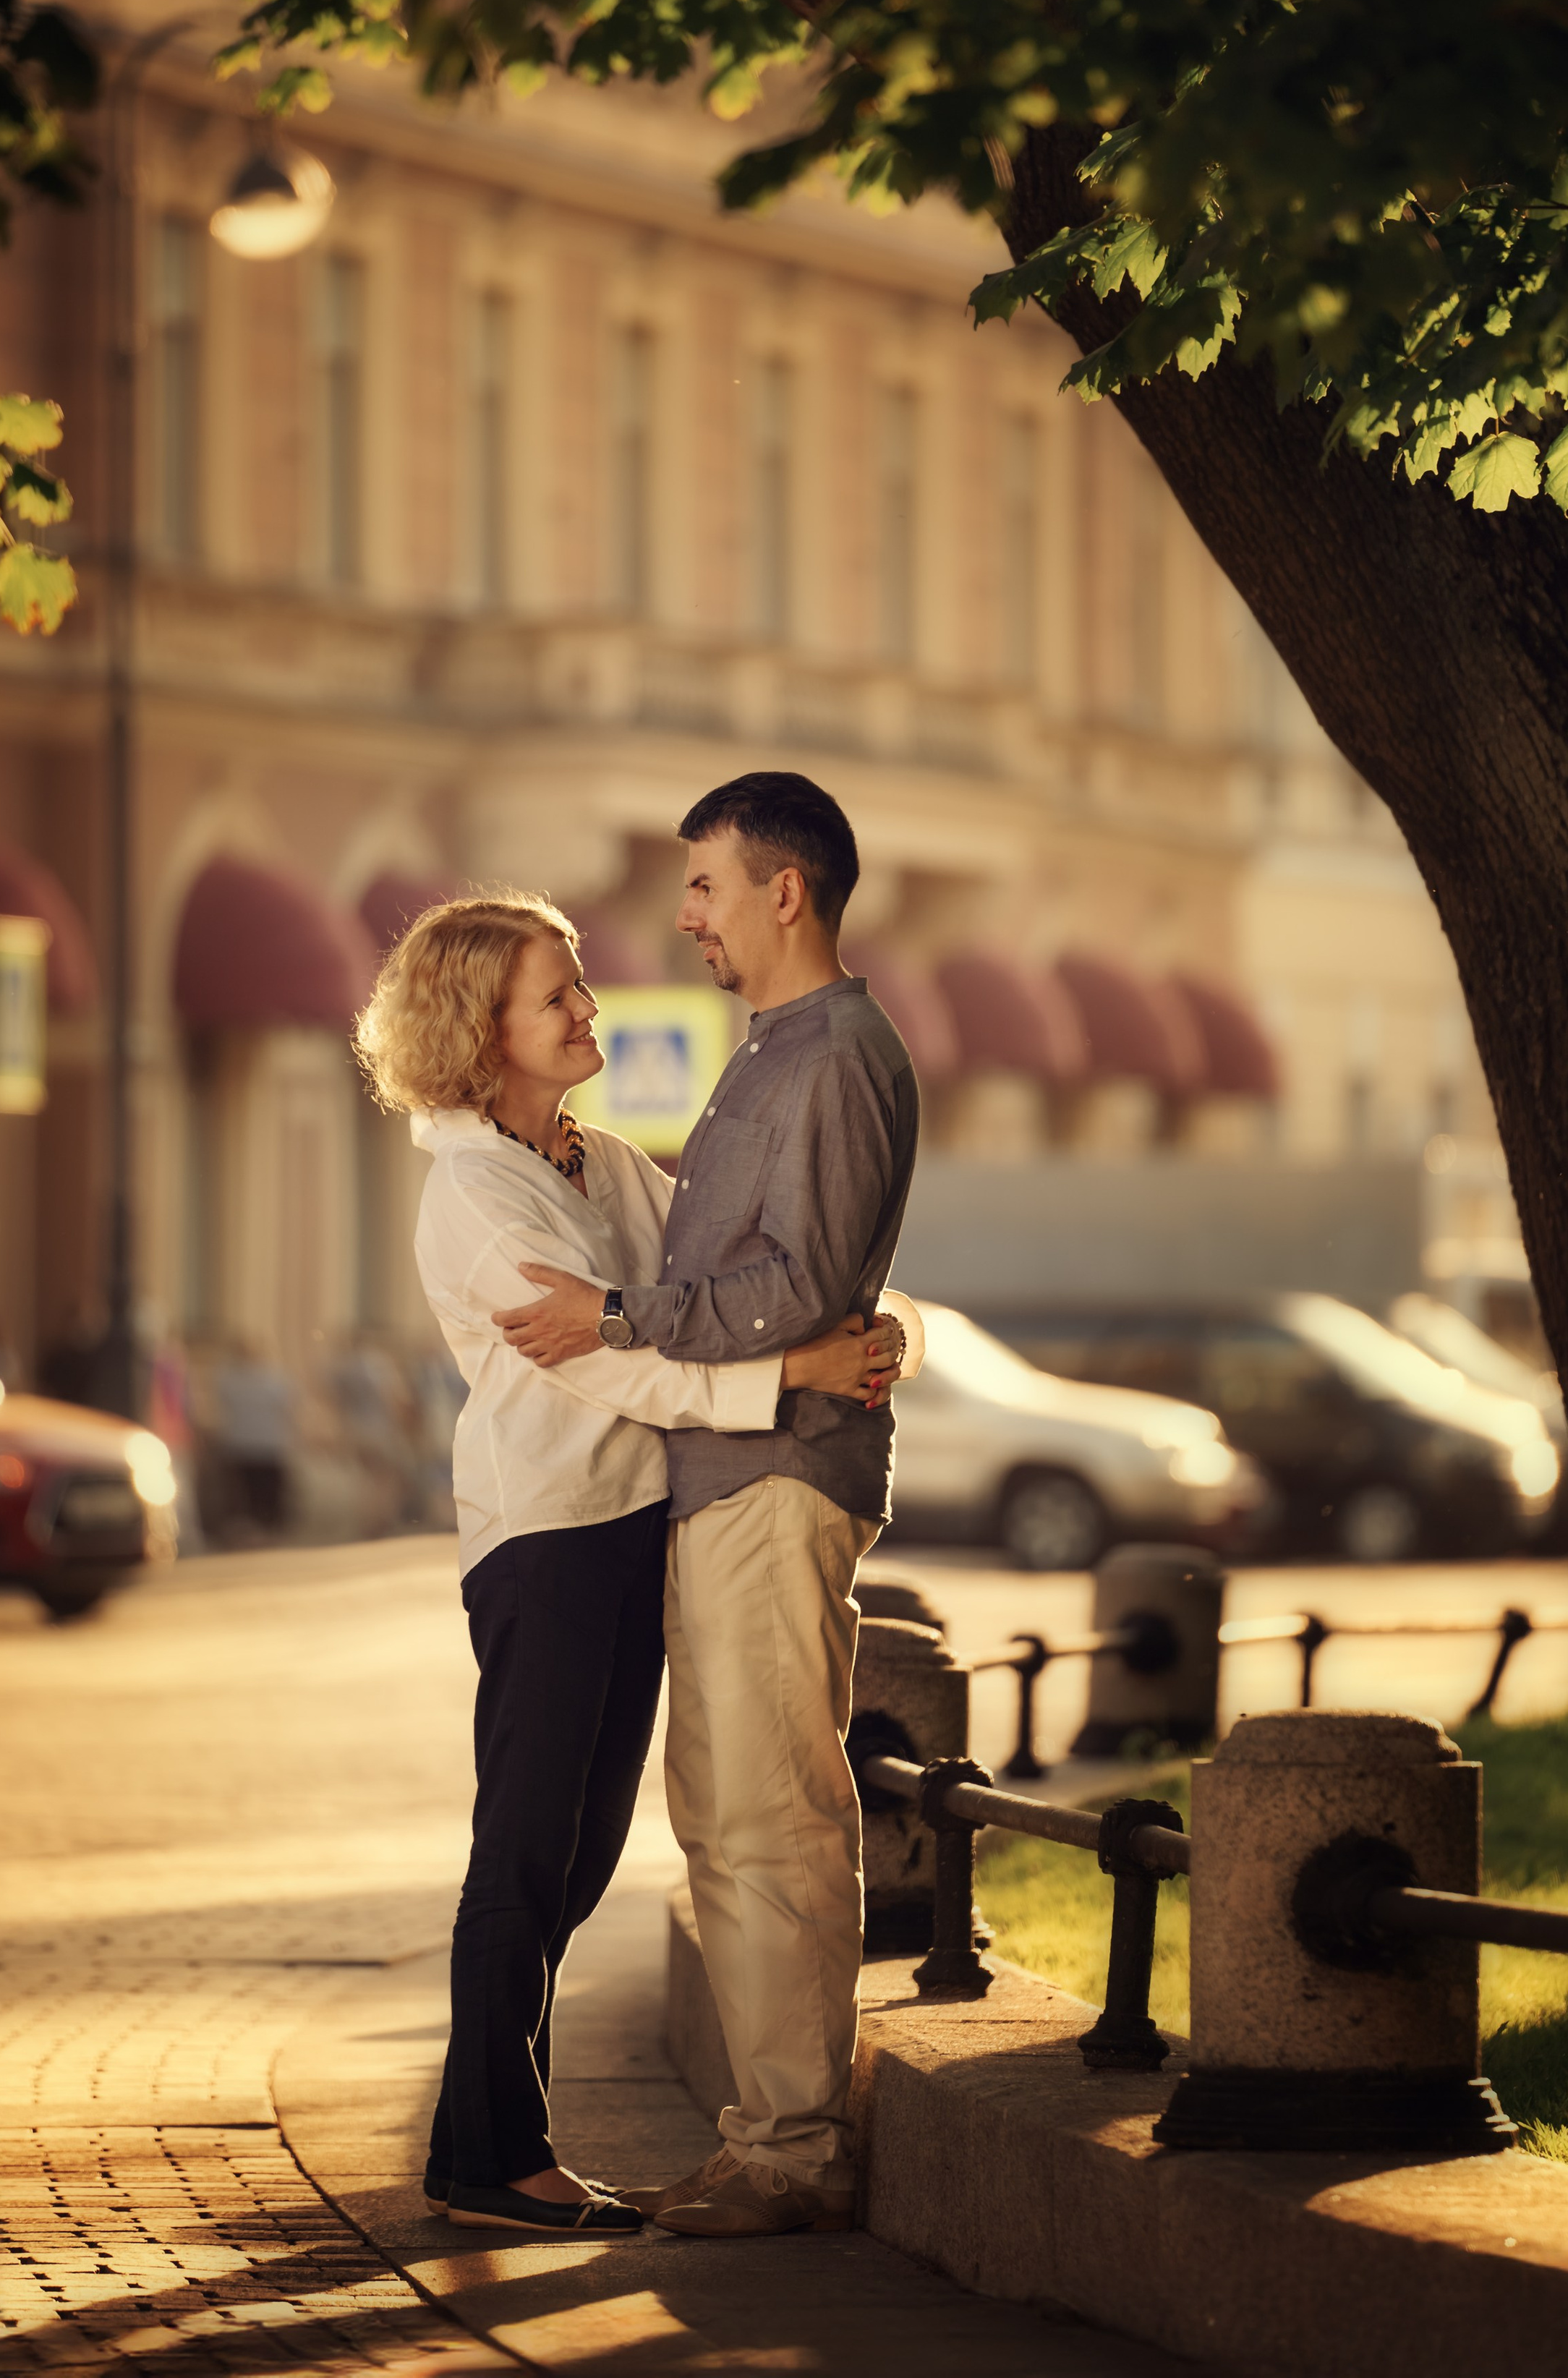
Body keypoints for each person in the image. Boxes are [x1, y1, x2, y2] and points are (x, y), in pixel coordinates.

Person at [353, 887, 903, 2236]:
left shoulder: (593, 1163)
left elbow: (703, 1293)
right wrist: (797, 1377)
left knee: (585, 1851)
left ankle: (493, 2141)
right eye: (560, 994)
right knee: (528, 1845)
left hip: (625, 1538)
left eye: (580, 983)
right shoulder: (474, 1200)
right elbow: (630, 1364)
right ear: (484, 1033)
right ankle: (488, 2155)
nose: (590, 1007)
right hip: (543, 1546)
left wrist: (871, 1332)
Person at [495, 772, 920, 2238]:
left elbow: (792, 1287)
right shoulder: (768, 1055)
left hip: (778, 1479)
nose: (683, 916)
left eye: (704, 887)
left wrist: (616, 1312)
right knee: (722, 1819)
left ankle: (797, 2151)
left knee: (773, 1819)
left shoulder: (832, 1054)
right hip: (724, 1479)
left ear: (781, 890)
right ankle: (766, 2136)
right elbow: (784, 1270)